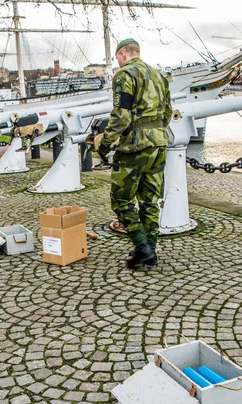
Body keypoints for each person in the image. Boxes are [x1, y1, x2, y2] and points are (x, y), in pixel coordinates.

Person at [98, 38, 172, 269]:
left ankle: (142, 247)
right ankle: (150, 249)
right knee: (150, 199)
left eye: (117, 57)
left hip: (134, 147)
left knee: (121, 199)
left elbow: (122, 115)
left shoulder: (125, 75)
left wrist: (106, 142)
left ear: (122, 54)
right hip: (159, 143)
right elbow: (168, 112)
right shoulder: (159, 75)